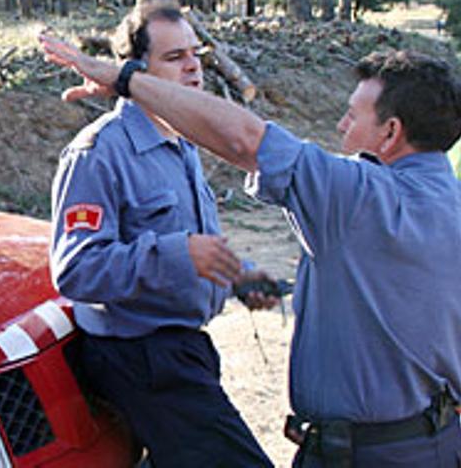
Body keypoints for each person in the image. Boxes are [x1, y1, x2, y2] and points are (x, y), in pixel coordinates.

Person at [40, 28, 461, 466]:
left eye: (352, 117)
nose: (340, 126)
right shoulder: (450, 201)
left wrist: (125, 78)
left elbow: (244, 139)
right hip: (439, 439)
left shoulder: (355, 194)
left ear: (390, 132)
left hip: (365, 454)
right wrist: (233, 275)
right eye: (175, 56)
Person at [48, 3, 279, 467]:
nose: (194, 65)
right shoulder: (99, 152)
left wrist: (237, 276)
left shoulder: (180, 139)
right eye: (175, 58)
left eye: (196, 53)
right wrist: (179, 256)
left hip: (184, 351)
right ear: (134, 72)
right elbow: (75, 270)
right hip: (140, 357)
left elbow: (192, 242)